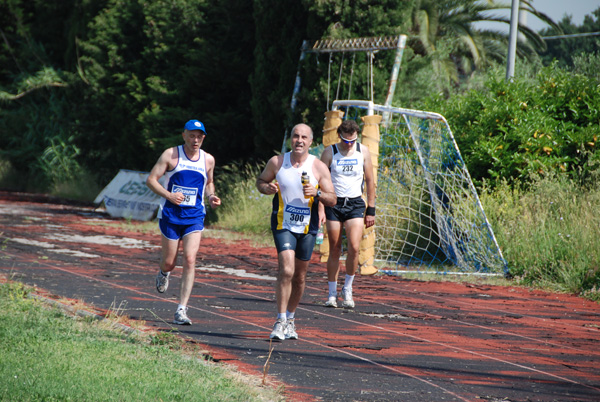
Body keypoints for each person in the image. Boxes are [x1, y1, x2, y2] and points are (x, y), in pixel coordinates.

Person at [256, 123, 336, 340]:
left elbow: (332, 199)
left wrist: (317, 192)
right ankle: (280, 320)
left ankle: (290, 318)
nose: (299, 140)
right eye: (295, 136)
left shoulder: (318, 167)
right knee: (287, 270)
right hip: (283, 223)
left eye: (304, 137)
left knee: (300, 277)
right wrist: (267, 188)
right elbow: (261, 181)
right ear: (290, 139)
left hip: (308, 227)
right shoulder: (277, 162)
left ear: (311, 142)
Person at [146, 119, 221, 325]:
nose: (195, 139)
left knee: (190, 259)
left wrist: (212, 196)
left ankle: (181, 309)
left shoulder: (208, 160)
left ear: (203, 138)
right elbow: (151, 180)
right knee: (169, 262)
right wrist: (169, 196)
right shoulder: (171, 155)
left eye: (199, 136)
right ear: (184, 135)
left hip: (195, 216)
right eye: (192, 135)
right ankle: (163, 272)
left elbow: (209, 182)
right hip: (171, 215)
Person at [319, 119, 375, 309]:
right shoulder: (329, 152)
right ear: (339, 136)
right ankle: (332, 293)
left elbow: (369, 180)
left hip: (355, 203)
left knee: (354, 246)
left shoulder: (363, 151)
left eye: (352, 141)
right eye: (345, 141)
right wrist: (321, 209)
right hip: (334, 203)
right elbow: (319, 181)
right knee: (335, 248)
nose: (349, 144)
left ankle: (348, 289)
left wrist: (371, 210)